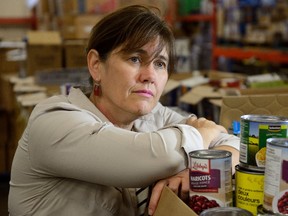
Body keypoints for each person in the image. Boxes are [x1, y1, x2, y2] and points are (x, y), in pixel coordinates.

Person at [8, 5, 240, 216]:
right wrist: (202, 136)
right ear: (96, 65)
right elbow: (162, 154)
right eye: (135, 58)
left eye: (160, 64)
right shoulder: (54, 122)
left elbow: (235, 143)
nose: (149, 76)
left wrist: (194, 173)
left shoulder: (152, 116)